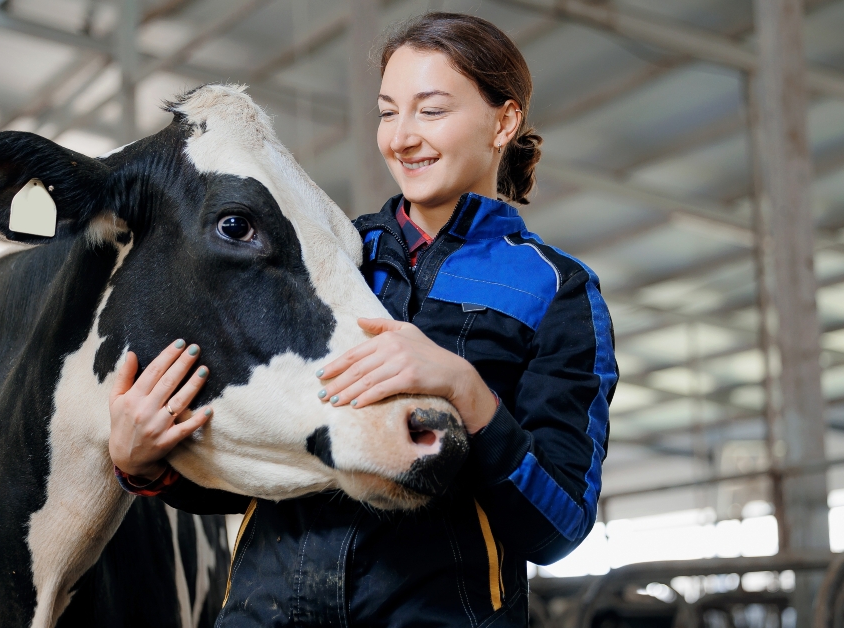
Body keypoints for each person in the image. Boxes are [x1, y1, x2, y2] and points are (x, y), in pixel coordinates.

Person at [108, 12, 618, 627]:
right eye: (387, 111)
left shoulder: (556, 290)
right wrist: (144, 465)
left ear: (504, 121)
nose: (402, 137)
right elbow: (249, 470)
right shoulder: (323, 255)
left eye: (430, 111)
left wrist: (465, 389)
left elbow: (558, 525)